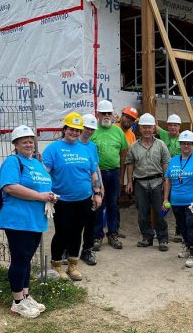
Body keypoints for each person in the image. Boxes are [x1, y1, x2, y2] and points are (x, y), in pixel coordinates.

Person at [0, 124, 57, 318]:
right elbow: (10, 187)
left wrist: (50, 196)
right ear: (15, 144)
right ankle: (17, 302)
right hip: (18, 219)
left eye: (31, 140)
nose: (29, 143)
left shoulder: (36, 164)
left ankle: (25, 295)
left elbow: (43, 186)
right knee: (19, 259)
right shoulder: (13, 162)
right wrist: (41, 197)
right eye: (24, 141)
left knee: (26, 259)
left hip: (35, 219)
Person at [43, 113, 102, 282]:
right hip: (62, 200)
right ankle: (56, 266)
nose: (74, 133)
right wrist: (46, 194)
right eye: (71, 129)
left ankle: (72, 265)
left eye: (77, 130)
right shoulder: (53, 149)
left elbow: (93, 174)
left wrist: (97, 193)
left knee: (77, 232)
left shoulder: (85, 149)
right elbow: (44, 174)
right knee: (62, 232)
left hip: (83, 199)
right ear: (64, 129)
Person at [125, 113, 171, 251]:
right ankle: (147, 237)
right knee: (142, 212)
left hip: (157, 181)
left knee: (160, 211)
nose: (147, 130)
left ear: (154, 129)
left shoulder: (161, 145)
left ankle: (163, 239)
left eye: (149, 127)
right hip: (140, 182)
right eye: (144, 127)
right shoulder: (134, 146)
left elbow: (165, 164)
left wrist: (166, 181)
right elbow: (130, 164)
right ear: (140, 129)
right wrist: (128, 182)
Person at [163, 130, 193, 268]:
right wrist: (165, 198)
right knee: (181, 226)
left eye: (189, 144)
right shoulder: (174, 160)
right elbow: (168, 180)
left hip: (192, 201)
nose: (186, 146)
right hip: (176, 200)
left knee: (191, 226)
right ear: (180, 145)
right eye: (184, 143)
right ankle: (187, 246)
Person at [92, 100, 129, 250]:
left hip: (114, 173)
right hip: (97, 175)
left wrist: (121, 177)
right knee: (98, 204)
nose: (107, 116)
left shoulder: (118, 131)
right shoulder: (92, 131)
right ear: (98, 114)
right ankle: (97, 236)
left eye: (109, 113)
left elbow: (124, 153)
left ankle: (113, 234)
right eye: (103, 113)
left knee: (113, 205)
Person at [78, 113, 103, 266]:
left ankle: (87, 250)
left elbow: (96, 168)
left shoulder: (92, 146)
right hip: (76, 191)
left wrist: (100, 189)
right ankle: (68, 249)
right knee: (74, 222)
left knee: (90, 221)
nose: (89, 131)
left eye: (92, 129)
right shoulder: (73, 144)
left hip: (91, 190)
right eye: (87, 128)